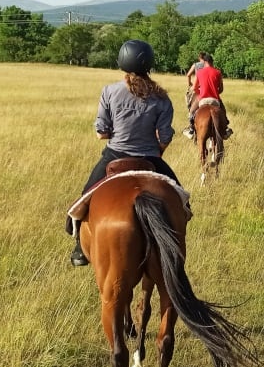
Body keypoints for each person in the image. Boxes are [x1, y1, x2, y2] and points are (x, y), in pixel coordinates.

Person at [67, 39, 181, 266]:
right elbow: (165, 137)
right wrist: (155, 153)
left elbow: (101, 132)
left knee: (82, 201)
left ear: (122, 63)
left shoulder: (109, 91)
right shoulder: (162, 98)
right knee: (181, 201)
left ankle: (80, 248)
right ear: (149, 64)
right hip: (150, 158)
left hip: (114, 156)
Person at [185, 53, 228, 138]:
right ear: (212, 62)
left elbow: (194, 88)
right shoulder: (218, 72)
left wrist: (199, 92)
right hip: (215, 99)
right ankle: (225, 129)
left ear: (205, 62)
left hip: (202, 98)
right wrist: (214, 92)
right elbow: (221, 89)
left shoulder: (200, 72)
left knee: (192, 112)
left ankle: (191, 130)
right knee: (223, 112)